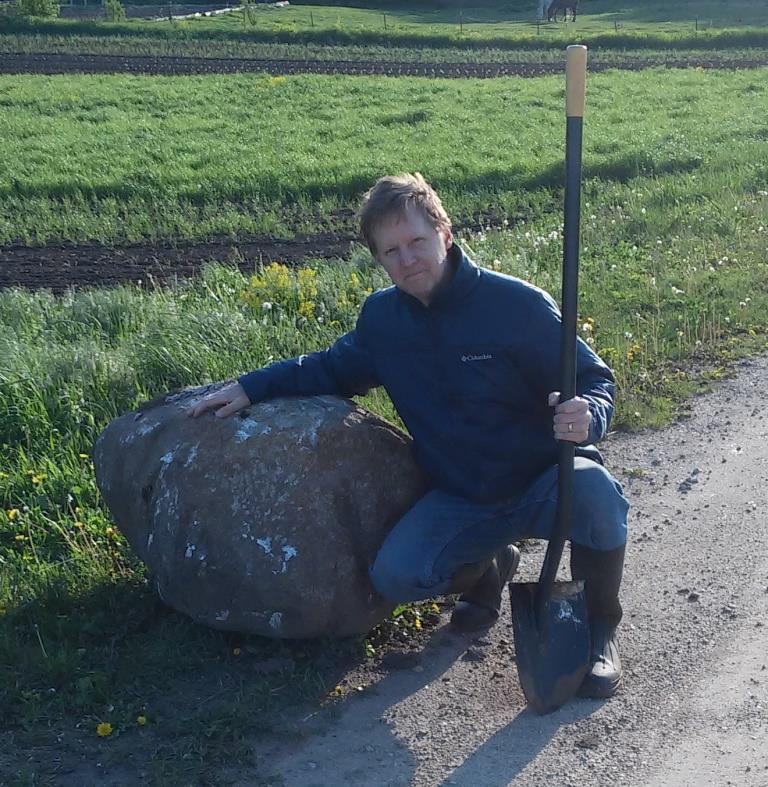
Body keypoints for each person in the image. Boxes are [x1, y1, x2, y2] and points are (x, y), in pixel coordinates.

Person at [188, 173, 629, 699]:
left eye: (417, 241)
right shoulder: (383, 320)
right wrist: (251, 386)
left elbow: (594, 379)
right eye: (391, 251)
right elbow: (329, 368)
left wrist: (588, 413)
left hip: (545, 479)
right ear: (378, 258)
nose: (407, 260)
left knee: (598, 495)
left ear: (445, 233)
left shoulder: (517, 306)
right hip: (462, 496)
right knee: (397, 576)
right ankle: (490, 569)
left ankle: (599, 630)